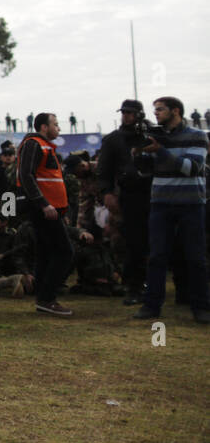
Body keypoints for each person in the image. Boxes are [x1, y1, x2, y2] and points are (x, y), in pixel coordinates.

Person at [132, 97, 210, 323]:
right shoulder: (155, 137)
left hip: (191, 204)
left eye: (160, 110)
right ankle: (151, 305)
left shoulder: (197, 136)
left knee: (195, 257)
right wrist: (138, 154)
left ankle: (201, 307)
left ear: (175, 111)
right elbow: (145, 171)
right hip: (161, 204)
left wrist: (162, 151)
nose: (155, 113)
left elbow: (192, 168)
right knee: (156, 256)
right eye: (154, 110)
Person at [95, 99, 154, 305]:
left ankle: (156, 285)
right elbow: (103, 170)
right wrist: (107, 193)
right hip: (130, 196)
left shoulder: (151, 135)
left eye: (130, 113)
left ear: (139, 114)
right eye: (124, 112)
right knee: (134, 243)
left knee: (157, 242)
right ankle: (134, 287)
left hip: (156, 194)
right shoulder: (113, 139)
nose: (126, 116)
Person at [17, 113, 74, 317]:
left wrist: (61, 210)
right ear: (43, 127)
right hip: (44, 210)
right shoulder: (34, 144)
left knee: (46, 253)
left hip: (52, 210)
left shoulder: (46, 146)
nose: (58, 128)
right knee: (65, 252)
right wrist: (44, 204)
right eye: (55, 125)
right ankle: (47, 297)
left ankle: (43, 297)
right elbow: (26, 175)